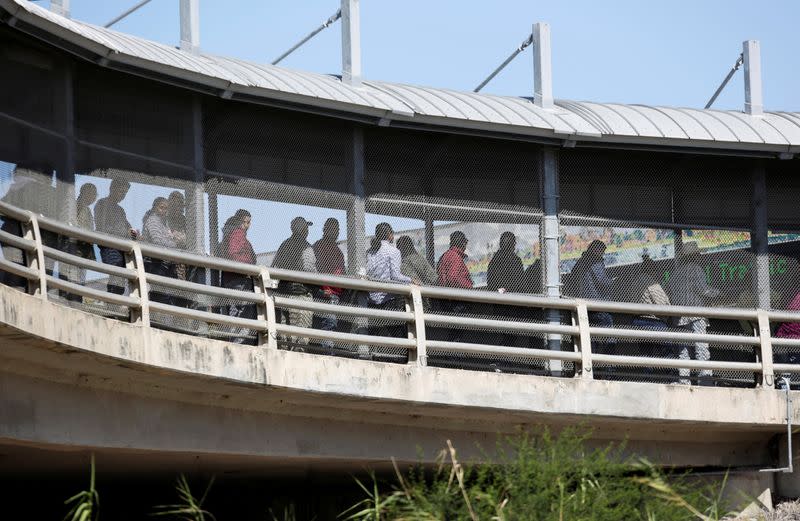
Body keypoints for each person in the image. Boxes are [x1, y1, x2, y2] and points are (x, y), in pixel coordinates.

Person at [666, 241, 720, 385]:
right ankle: (705, 381)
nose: (700, 257)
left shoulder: (674, 274)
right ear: (694, 256)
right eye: (698, 254)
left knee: (683, 352)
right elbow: (703, 290)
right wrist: (719, 293)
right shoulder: (695, 268)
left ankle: (684, 382)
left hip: (678, 318)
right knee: (701, 348)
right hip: (696, 315)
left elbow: (669, 294)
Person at [272, 217, 317, 348]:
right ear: (303, 230)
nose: (307, 231)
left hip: (284, 294)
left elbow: (275, 266)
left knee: (285, 336)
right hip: (301, 295)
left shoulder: (284, 245)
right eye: (306, 228)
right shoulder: (306, 246)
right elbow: (309, 269)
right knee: (301, 337)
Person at [628, 256, 674, 379]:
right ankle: (671, 378)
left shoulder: (635, 283)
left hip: (638, 321)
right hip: (654, 322)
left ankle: (647, 379)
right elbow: (661, 305)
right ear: (652, 270)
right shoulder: (652, 283)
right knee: (667, 352)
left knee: (646, 355)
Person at [366, 223, 413, 338]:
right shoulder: (394, 251)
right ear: (389, 234)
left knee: (374, 335)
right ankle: (399, 355)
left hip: (371, 299)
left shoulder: (370, 252)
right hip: (388, 300)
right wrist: (411, 280)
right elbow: (396, 276)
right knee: (396, 333)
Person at [568, 240, 614, 352]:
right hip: (597, 304)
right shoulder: (595, 261)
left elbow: (572, 278)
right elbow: (602, 281)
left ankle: (592, 362)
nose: (602, 254)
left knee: (589, 337)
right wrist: (613, 282)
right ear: (595, 249)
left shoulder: (580, 262)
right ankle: (609, 366)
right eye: (601, 251)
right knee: (609, 336)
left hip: (583, 305)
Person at [95, 179, 138, 295]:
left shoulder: (120, 210)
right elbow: (103, 228)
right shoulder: (102, 204)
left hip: (121, 248)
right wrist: (126, 232)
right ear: (112, 188)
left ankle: (116, 304)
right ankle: (112, 304)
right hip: (109, 246)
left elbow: (127, 226)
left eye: (125, 193)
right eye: (121, 192)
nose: (123, 195)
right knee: (116, 272)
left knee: (121, 277)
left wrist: (133, 233)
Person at [219, 209, 256, 344]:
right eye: (246, 222)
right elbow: (233, 253)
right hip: (239, 279)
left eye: (249, 222)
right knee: (242, 312)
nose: (248, 225)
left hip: (232, 278)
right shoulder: (237, 233)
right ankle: (240, 343)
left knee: (236, 311)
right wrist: (249, 265)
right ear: (241, 221)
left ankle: (238, 341)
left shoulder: (231, 235)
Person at [486, 232, 525, 346]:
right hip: (513, 304)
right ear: (512, 244)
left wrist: (501, 291)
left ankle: (503, 357)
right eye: (513, 243)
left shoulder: (494, 261)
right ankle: (505, 358)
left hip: (499, 303)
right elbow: (521, 284)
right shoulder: (515, 260)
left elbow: (491, 285)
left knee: (505, 333)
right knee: (511, 334)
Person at [313, 218, 345, 351]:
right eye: (332, 228)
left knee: (332, 324)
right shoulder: (318, 246)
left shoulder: (337, 250)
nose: (336, 232)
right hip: (325, 293)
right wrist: (322, 289)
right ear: (325, 229)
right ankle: (326, 354)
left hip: (336, 293)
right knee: (328, 324)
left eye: (337, 229)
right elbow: (316, 269)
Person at [437, 231, 472, 341]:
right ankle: (454, 356)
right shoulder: (455, 257)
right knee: (457, 332)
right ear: (462, 243)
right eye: (465, 242)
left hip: (448, 300)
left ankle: (453, 354)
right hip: (456, 301)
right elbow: (453, 277)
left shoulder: (446, 255)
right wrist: (468, 287)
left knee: (454, 331)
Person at [141, 197, 177, 305]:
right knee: (160, 296)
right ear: (154, 207)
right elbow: (157, 241)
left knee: (163, 296)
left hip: (163, 264)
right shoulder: (153, 220)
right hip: (155, 263)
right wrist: (175, 244)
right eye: (161, 207)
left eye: (166, 209)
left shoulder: (163, 223)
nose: (164, 211)